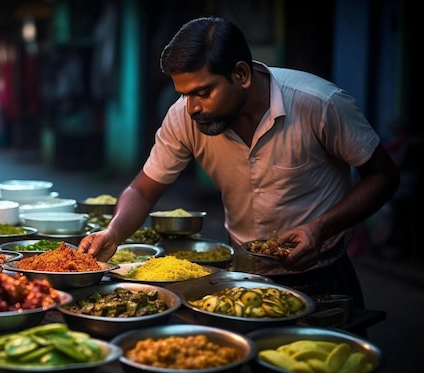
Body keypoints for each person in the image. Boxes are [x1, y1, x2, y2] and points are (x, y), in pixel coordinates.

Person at [78, 17, 400, 308]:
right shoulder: (184, 117)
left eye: (203, 92)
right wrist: (114, 233)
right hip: (241, 276)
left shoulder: (319, 104)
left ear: (242, 74)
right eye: (184, 94)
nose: (192, 108)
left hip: (322, 275)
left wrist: (320, 228)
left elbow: (384, 177)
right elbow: (144, 190)